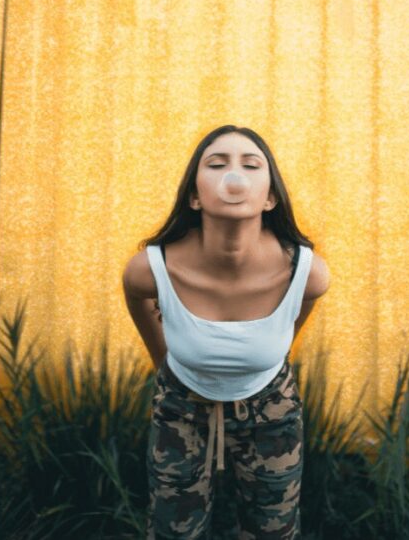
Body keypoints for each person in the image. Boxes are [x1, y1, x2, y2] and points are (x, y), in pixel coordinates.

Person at [123, 125, 329, 540]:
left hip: (272, 408)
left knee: (273, 531)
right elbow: (138, 301)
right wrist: (166, 362)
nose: (233, 175)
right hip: (181, 406)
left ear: (270, 197)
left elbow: (289, 328)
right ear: (195, 196)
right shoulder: (150, 269)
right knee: (173, 532)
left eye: (251, 165)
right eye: (216, 164)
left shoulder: (307, 275)